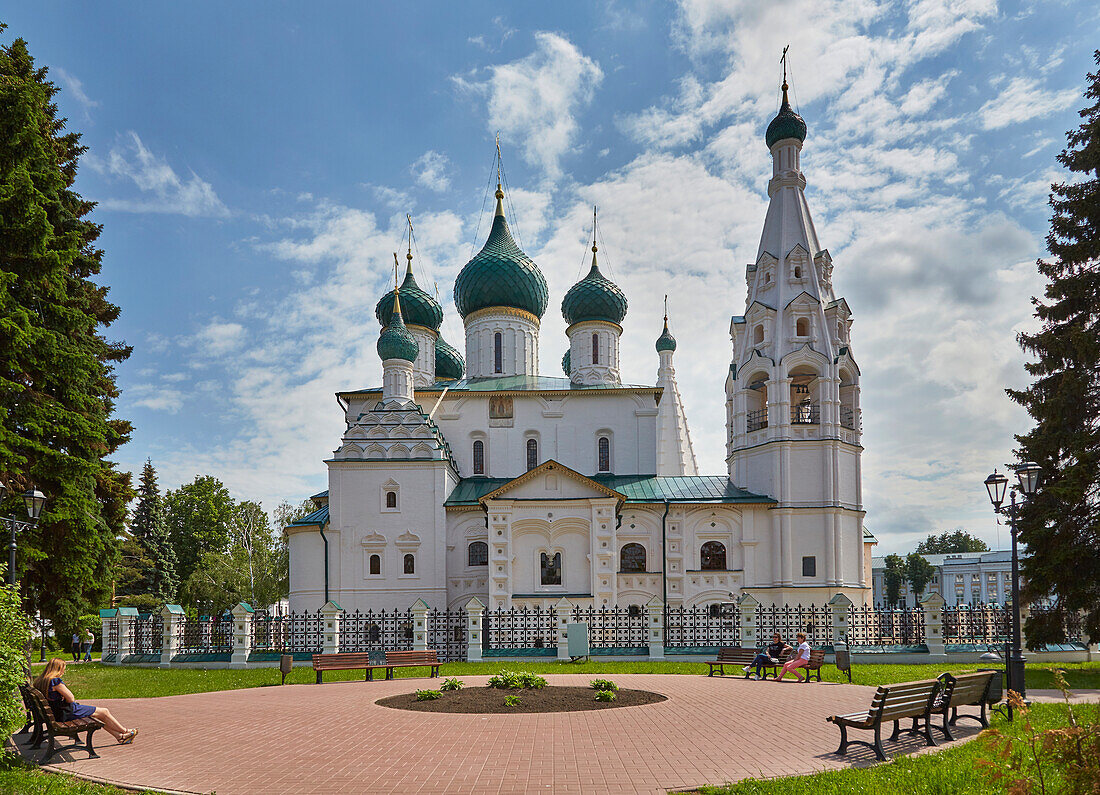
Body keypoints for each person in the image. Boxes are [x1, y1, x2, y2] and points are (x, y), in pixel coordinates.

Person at [34, 658, 137, 744]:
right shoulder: (55, 681)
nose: (63, 672)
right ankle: (125, 731)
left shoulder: (40, 681)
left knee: (98, 714)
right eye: (63, 669)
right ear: (58, 669)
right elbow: (71, 699)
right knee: (104, 711)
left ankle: (120, 736)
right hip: (65, 713)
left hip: (55, 713)